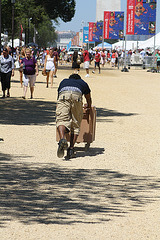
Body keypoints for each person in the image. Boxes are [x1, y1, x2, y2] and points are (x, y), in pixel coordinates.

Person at [56, 74, 92, 159]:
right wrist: (89, 106)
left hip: (64, 95)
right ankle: (71, 149)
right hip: (77, 96)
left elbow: (59, 95)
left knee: (61, 119)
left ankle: (62, 139)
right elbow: (88, 98)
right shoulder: (83, 83)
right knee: (75, 123)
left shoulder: (64, 81)